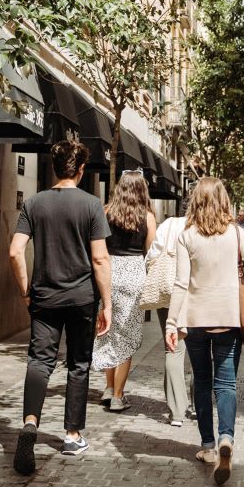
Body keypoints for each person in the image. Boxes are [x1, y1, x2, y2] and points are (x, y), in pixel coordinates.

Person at [8, 140, 112, 472]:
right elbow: (99, 258)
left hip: (45, 297)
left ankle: (30, 424)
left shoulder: (35, 204)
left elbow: (14, 251)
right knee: (78, 364)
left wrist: (26, 290)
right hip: (82, 298)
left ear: (54, 168)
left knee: (40, 361)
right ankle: (71, 435)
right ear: (81, 170)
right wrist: (107, 303)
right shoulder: (92, 204)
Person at [166, 177, 244, 486]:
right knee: (226, 384)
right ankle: (226, 439)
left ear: (196, 201)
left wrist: (171, 322)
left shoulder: (187, 236)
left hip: (195, 319)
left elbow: (181, 283)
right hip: (228, 318)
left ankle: (208, 447)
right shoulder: (235, 234)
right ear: (224, 201)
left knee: (202, 382)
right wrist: (241, 273)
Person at [92, 169, 156, 412]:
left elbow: (98, 247)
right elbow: (152, 252)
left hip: (109, 274)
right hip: (134, 275)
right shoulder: (147, 216)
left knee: (108, 331)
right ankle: (118, 395)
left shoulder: (106, 212)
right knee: (127, 337)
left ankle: (108, 388)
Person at [145, 199, 193, 426]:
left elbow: (152, 255)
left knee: (172, 347)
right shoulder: (201, 226)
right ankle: (192, 403)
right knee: (197, 350)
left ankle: (176, 411)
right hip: (194, 294)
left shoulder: (167, 225)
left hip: (167, 293)